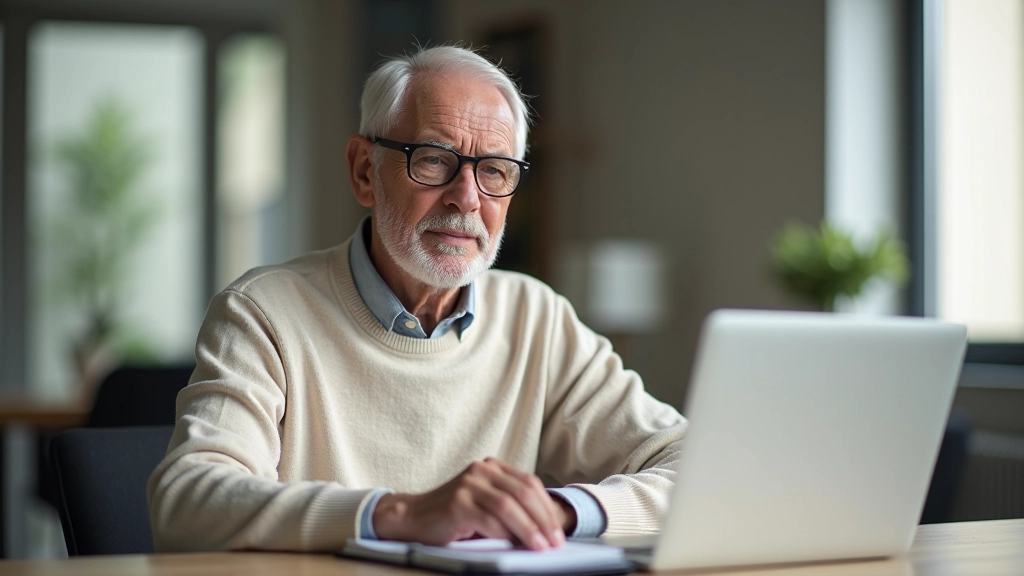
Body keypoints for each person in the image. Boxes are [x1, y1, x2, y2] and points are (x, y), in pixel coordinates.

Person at [147, 45, 687, 553]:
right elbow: (187, 498)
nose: (468, 198)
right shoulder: (263, 312)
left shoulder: (537, 318)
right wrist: (399, 516)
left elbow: (697, 465)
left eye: (494, 169)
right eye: (433, 160)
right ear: (364, 171)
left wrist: (557, 513)